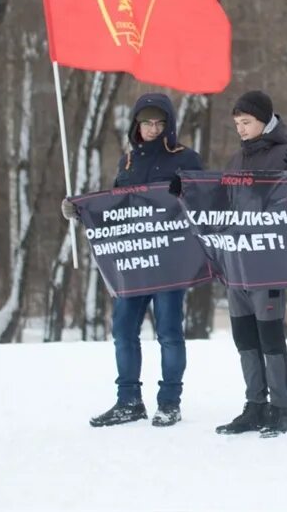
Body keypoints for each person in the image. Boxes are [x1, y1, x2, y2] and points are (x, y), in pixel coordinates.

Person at [61, 93, 202, 428]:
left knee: (169, 332)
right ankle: (129, 401)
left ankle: (169, 402)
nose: (153, 129)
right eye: (147, 122)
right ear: (137, 124)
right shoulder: (127, 162)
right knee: (123, 329)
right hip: (133, 263)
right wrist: (79, 210)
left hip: (170, 262)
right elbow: (113, 209)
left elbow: (202, 200)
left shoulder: (187, 158)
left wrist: (187, 193)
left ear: (168, 125)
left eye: (159, 123)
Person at [210, 90, 287, 439]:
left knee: (269, 337)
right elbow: (220, 205)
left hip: (268, 263)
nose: (241, 129)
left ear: (265, 121)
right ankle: (255, 404)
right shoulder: (236, 161)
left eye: (247, 122)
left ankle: (282, 409)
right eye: (237, 123)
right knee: (244, 338)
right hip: (237, 263)